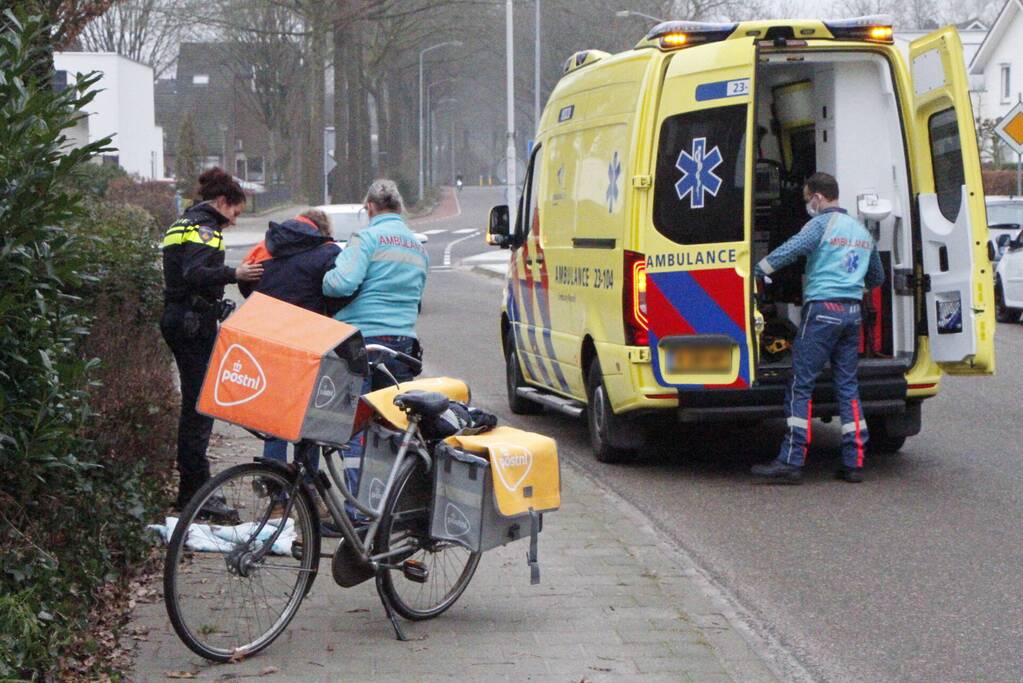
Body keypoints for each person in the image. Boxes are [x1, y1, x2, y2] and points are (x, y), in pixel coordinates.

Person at [751, 172, 884, 485]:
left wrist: (755, 270)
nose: (808, 204)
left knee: (800, 384)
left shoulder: (820, 225)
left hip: (822, 311)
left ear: (818, 197)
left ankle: (791, 460)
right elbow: (876, 278)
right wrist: (851, 285)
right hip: (851, 314)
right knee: (848, 386)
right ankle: (854, 462)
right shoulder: (862, 232)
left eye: (807, 198)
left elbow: (789, 251)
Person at [161, 168, 262, 515]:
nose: (233, 222)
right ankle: (197, 495)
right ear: (222, 202)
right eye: (235, 213)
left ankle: (192, 491)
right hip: (192, 323)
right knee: (200, 408)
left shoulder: (184, 222)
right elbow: (194, 272)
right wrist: (235, 273)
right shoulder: (206, 228)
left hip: (179, 318)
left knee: (195, 405)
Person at [322, 179, 428, 509]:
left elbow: (341, 283)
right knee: (390, 428)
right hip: (403, 346)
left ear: (369, 207)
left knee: (356, 427)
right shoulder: (416, 246)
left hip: (363, 343)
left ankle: (358, 511)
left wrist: (325, 277)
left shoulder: (366, 238)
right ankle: (385, 506)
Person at [238, 209, 342, 488]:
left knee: (275, 421)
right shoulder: (327, 251)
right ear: (320, 229)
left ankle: (274, 492)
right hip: (309, 343)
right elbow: (338, 294)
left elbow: (246, 287)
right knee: (310, 421)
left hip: (269, 343)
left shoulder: (265, 246)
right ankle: (306, 490)